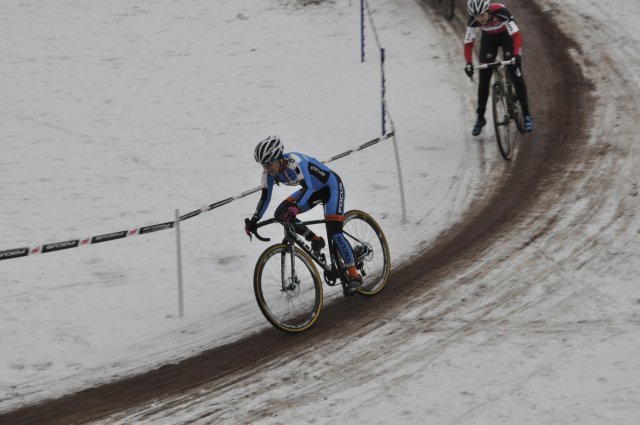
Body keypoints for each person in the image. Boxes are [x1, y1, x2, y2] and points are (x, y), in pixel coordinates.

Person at [244, 135, 362, 296]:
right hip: (311, 190)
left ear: (278, 158)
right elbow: (265, 198)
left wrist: (296, 207)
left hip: (331, 187)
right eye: (263, 165)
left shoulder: (295, 162)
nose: (266, 169)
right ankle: (315, 240)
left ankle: (354, 274)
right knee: (280, 214)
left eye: (269, 164)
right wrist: (254, 220)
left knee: (334, 231)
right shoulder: (269, 174)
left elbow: (308, 188)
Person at [463, 0, 533, 136]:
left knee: (515, 72)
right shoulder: (474, 19)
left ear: (488, 11)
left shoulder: (501, 12)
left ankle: (526, 115)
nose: (479, 19)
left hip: (507, 37)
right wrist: (468, 63)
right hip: (489, 39)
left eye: (482, 16)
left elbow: (516, 36)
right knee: (484, 79)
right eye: (476, 16)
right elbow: (468, 42)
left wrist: (516, 55)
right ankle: (480, 118)